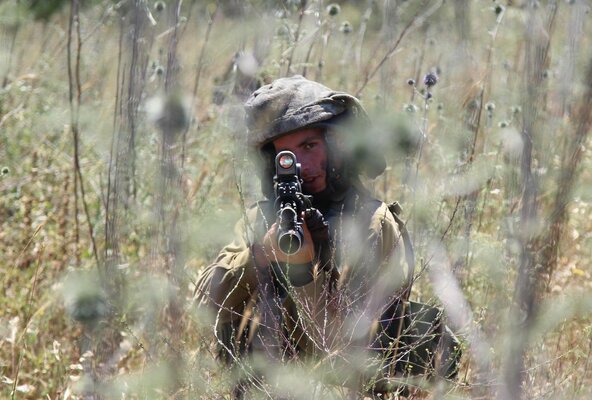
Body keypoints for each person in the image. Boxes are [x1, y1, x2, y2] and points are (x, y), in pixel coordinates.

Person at [194, 75, 457, 397]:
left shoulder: (373, 224)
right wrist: (258, 258)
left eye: (309, 146)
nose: (300, 166)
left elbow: (341, 351)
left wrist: (305, 275)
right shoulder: (259, 221)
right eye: (284, 156)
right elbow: (205, 307)